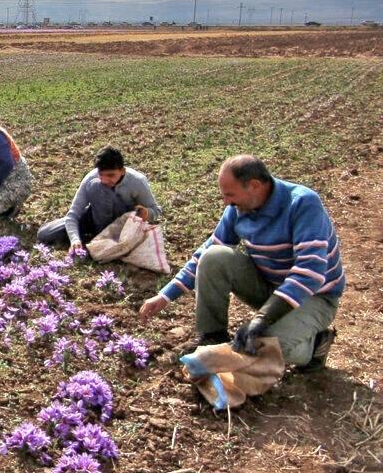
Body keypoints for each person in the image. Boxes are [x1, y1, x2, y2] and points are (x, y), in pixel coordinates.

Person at [139, 155, 342, 370]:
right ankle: (212, 335)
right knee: (214, 256)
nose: (226, 202)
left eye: (229, 194)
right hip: (271, 287)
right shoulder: (238, 208)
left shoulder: (302, 203)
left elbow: (309, 272)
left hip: (315, 297)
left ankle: (316, 345)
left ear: (254, 186)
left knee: (264, 347)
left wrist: (263, 319)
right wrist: (165, 295)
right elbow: (208, 251)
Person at [37, 146, 163, 256]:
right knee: (45, 234)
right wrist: (75, 240)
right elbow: (73, 214)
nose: (105, 180)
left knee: (98, 187)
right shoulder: (91, 177)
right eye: (102, 175)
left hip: (122, 222)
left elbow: (156, 210)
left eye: (111, 175)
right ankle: (98, 237)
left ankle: (104, 240)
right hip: (97, 217)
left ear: (122, 171)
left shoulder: (136, 181)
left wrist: (145, 213)